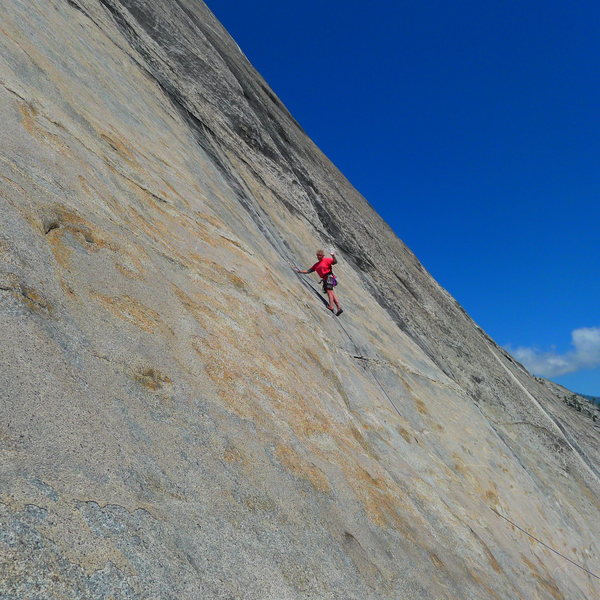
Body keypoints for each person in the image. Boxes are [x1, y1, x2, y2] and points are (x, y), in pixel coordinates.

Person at [295, 249, 343, 316]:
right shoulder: (316, 265)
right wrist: (299, 271)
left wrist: (333, 256)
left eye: (320, 255)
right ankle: (339, 308)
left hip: (329, 277)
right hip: (325, 279)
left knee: (329, 292)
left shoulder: (327, 260)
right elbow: (308, 271)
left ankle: (331, 306)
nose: (319, 257)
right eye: (318, 255)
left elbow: (335, 262)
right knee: (332, 293)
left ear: (323, 255)